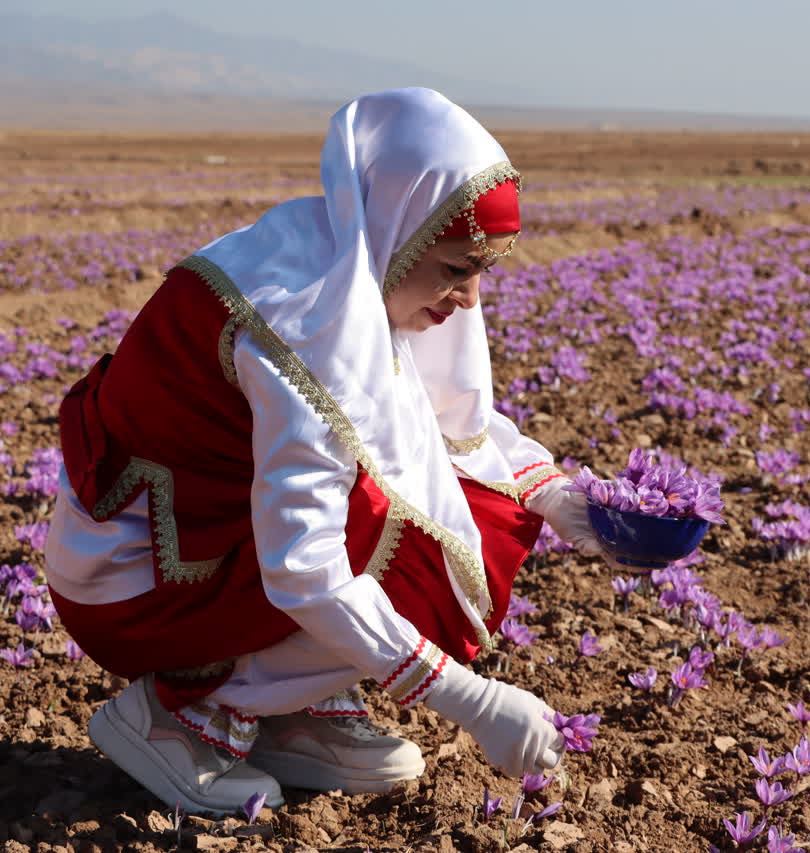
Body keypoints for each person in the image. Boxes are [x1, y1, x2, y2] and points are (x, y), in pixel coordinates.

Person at [44, 88, 607, 815]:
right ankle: (182, 716)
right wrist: (467, 698)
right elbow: (304, 565)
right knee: (394, 535)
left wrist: (561, 500)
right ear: (403, 229)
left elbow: (439, 423)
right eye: (456, 266)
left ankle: (288, 705)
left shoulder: (355, 253)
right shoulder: (307, 324)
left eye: (483, 270)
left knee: (444, 501)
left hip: (197, 536)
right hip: (129, 571)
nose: (468, 298)